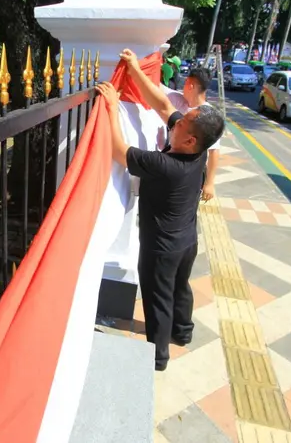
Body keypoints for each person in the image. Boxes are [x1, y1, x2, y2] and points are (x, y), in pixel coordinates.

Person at [95, 49, 225, 371]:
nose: (180, 118)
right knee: (180, 288)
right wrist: (136, 70)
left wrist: (112, 107)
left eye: (187, 121)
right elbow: (164, 105)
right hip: (186, 243)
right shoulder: (196, 153)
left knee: (158, 299)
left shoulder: (164, 164)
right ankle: (184, 331)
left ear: (191, 139)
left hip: (162, 250)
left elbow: (117, 150)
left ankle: (158, 357)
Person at [161, 67, 221, 202]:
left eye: (185, 83)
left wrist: (209, 184)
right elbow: (157, 88)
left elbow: (214, 152)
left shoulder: (208, 116)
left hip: (191, 172)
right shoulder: (177, 100)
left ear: (190, 85)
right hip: (170, 164)